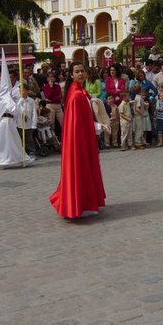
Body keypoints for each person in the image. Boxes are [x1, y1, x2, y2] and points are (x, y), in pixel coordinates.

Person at [49, 61, 105, 219]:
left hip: (84, 138)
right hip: (79, 141)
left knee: (86, 168)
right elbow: (75, 125)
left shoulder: (81, 92)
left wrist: (93, 125)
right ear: (71, 75)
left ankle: (86, 202)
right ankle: (81, 204)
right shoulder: (76, 95)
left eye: (82, 71)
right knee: (81, 169)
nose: (80, 74)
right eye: (77, 71)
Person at [0, 52, 34, 170]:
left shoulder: (0, 96)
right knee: (13, 141)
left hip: (2, 121)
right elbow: (15, 109)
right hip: (7, 120)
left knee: (7, 141)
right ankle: (11, 159)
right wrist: (20, 103)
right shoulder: (6, 96)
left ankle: (7, 159)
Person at [21, 84, 38, 159]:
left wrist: (34, 124)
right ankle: (23, 153)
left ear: (27, 91)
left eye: (23, 90)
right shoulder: (18, 100)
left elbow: (34, 113)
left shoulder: (31, 101)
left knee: (29, 139)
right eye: (20, 90)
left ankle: (32, 152)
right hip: (20, 123)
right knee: (21, 139)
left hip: (28, 123)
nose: (22, 92)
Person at [133, 84, 148, 149]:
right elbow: (137, 109)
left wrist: (145, 105)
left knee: (141, 130)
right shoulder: (138, 98)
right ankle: (137, 143)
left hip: (139, 116)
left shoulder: (138, 98)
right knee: (139, 130)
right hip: (138, 116)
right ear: (140, 90)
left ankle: (142, 142)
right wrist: (143, 114)